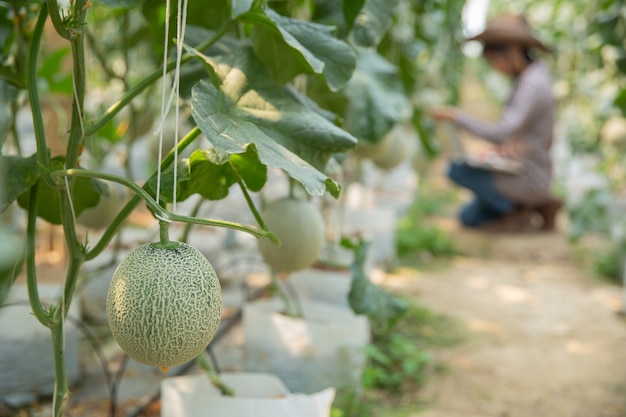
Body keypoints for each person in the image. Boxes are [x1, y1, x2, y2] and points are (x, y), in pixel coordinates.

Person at [431, 13, 562, 232]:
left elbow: (502, 132)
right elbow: (520, 135)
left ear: (512, 50)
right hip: (522, 168)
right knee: (468, 218)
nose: (496, 68)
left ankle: (527, 207)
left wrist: (457, 116)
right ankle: (530, 206)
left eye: (494, 60)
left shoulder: (532, 84)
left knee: (458, 170)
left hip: (529, 176)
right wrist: (499, 153)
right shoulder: (530, 78)